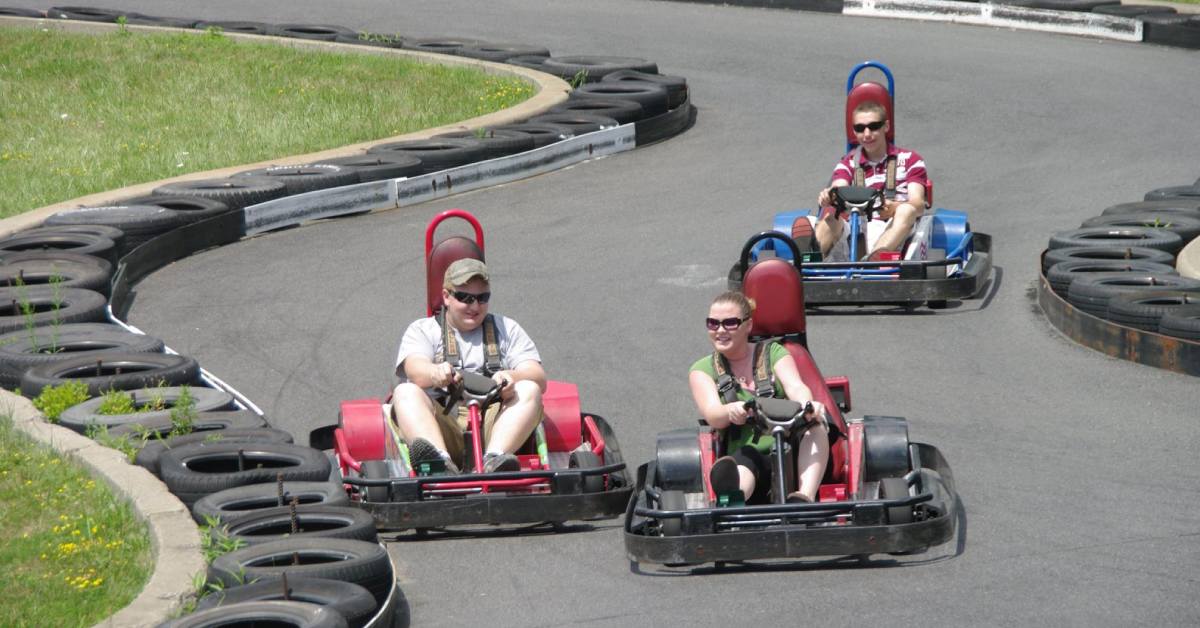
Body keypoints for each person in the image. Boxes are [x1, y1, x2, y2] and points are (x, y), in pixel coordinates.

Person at [391, 258, 546, 474]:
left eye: (482, 298)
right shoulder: (423, 330)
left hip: (495, 428)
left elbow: (537, 375)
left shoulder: (506, 328)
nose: (474, 306)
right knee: (405, 391)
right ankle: (439, 464)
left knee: (529, 388)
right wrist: (435, 373)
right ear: (446, 296)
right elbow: (414, 368)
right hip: (444, 422)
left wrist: (511, 376)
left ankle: (495, 461)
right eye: (465, 298)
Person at [688, 291, 829, 503]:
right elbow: (713, 414)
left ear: (748, 325)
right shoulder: (702, 370)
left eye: (730, 323)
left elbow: (796, 387)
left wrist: (808, 405)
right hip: (748, 458)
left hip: (791, 450)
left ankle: (804, 497)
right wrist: (730, 410)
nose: (720, 330)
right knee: (746, 459)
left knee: (815, 428)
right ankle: (734, 499)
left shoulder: (774, 353)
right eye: (713, 323)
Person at [809, 100, 929, 261]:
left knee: (907, 210)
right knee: (832, 217)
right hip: (856, 227)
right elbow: (838, 188)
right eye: (860, 128)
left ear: (885, 127)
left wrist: (895, 207)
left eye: (873, 127)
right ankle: (809, 257)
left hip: (895, 229)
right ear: (854, 132)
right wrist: (829, 196)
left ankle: (874, 260)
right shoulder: (849, 162)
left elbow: (919, 204)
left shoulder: (911, 159)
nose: (867, 134)